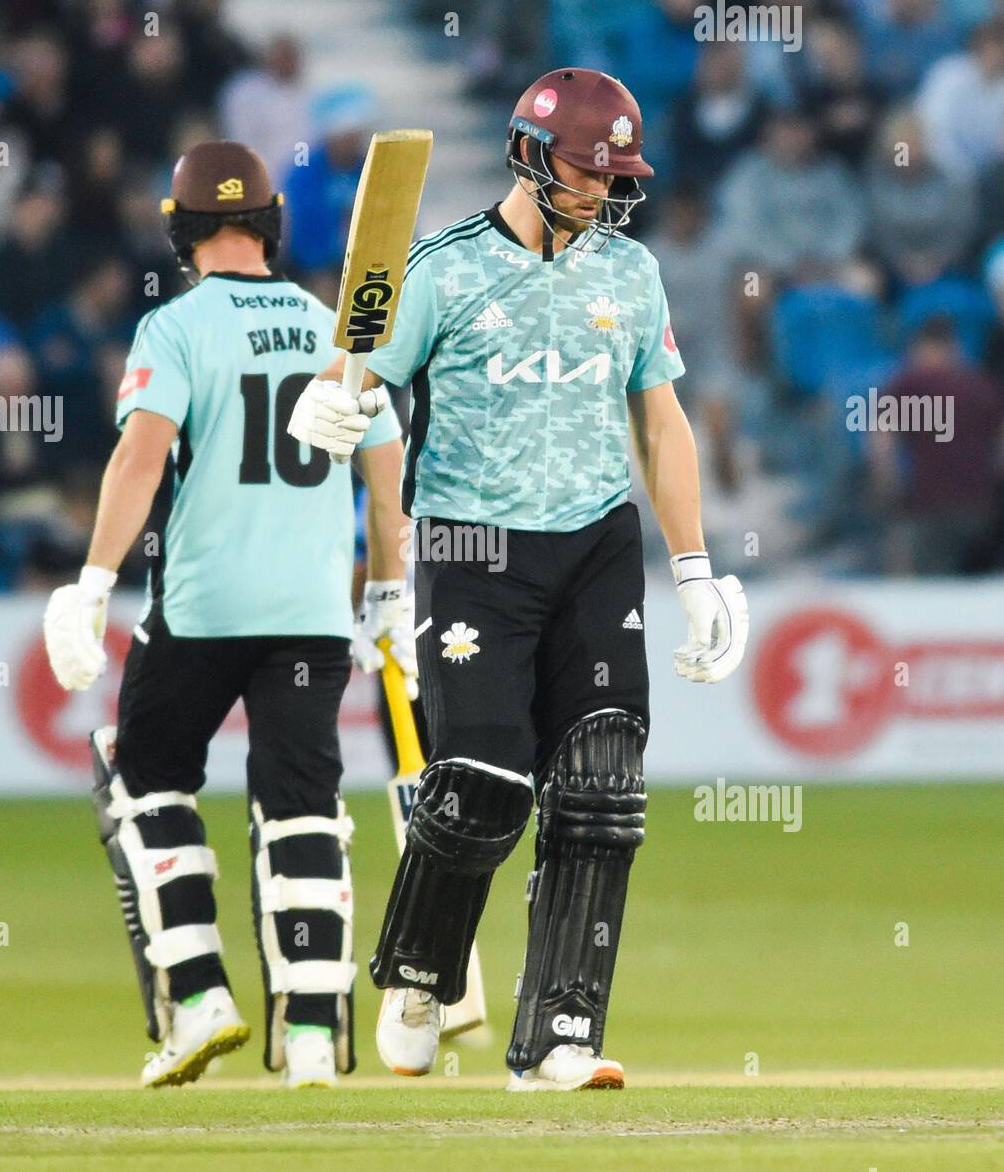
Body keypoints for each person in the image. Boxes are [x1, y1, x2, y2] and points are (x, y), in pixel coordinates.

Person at [289, 69, 749, 1092]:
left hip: (592, 540)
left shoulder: (629, 274)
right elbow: (354, 383)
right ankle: (419, 974)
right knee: (480, 789)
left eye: (615, 175)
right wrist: (324, 413)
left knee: (600, 788)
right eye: (590, 173)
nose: (605, 193)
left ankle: (560, 1035)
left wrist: (694, 563)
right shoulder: (441, 272)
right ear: (533, 158)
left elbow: (659, 421)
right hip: (471, 544)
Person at [41, 141, 412, 1089]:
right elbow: (386, 473)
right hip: (311, 612)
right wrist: (387, 592)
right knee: (302, 809)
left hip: (204, 606)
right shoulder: (337, 325)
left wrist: (92, 579)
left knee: (147, 778)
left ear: (180, 228)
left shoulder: (175, 328)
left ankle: (202, 997)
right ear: (272, 222)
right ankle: (319, 1034)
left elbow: (140, 458)